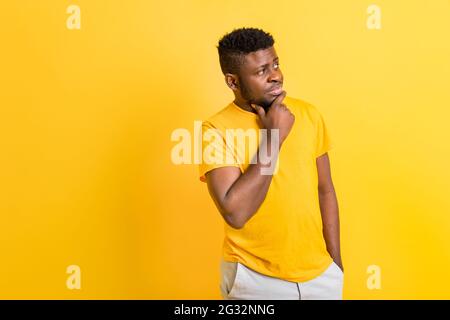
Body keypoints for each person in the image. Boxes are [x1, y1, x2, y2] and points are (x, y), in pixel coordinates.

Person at [198, 27, 343, 300]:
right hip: (254, 279)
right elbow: (236, 213)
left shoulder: (308, 114)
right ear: (233, 82)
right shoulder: (214, 130)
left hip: (321, 276)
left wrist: (334, 265)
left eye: (275, 64)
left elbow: (326, 190)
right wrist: (273, 138)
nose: (275, 75)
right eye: (261, 70)